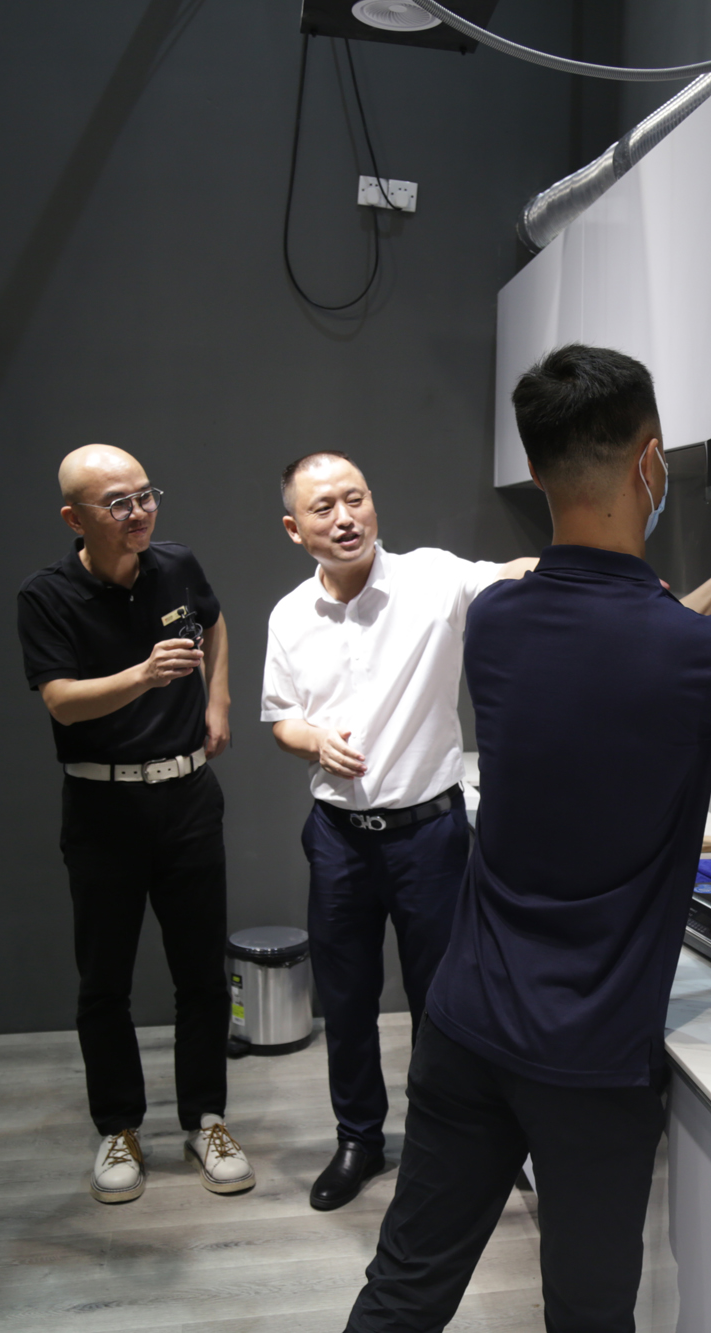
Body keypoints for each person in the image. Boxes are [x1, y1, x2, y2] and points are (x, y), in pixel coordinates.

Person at [344, 345, 711, 1332]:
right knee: (587, 1318)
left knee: (403, 1291)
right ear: (650, 462)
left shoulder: (497, 619)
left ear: (536, 470)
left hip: (465, 1025)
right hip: (588, 1063)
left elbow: (633, 645)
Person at [261, 452, 536, 1211]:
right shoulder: (289, 615)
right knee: (346, 1000)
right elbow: (281, 719)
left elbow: (513, 572)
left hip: (429, 835)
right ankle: (359, 1139)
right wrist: (314, 741)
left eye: (355, 498)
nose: (344, 517)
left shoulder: (431, 578)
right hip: (337, 837)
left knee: (442, 1001)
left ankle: (446, 1140)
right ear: (295, 529)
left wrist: (598, 569)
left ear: (373, 503)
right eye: (323, 508)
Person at [17, 444, 248, 1206]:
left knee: (202, 975)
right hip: (102, 806)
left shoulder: (176, 564)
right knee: (104, 981)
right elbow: (61, 701)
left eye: (145, 495)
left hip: (188, 798)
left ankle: (207, 1119)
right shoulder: (47, 595)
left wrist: (217, 701)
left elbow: (216, 622)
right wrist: (145, 674)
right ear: (74, 517)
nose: (138, 512)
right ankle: (118, 1126)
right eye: (117, 502)